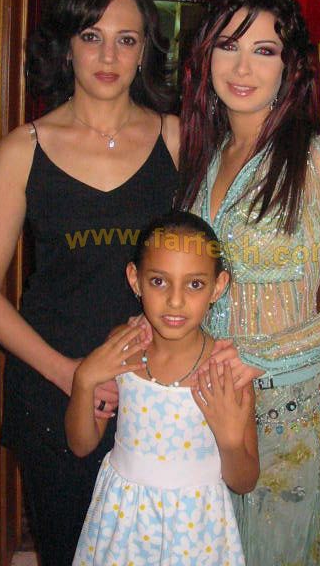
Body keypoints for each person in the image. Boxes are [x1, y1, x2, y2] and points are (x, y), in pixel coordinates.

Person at [177, 0, 320, 565]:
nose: (242, 67)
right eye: (228, 46)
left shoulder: (318, 159)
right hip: (204, 397)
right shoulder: (205, 156)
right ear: (206, 55)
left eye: (264, 50)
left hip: (284, 406)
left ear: (289, 66)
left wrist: (262, 354)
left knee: (277, 551)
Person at [0, 0, 179, 566]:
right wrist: (70, 374)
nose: (108, 56)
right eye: (91, 36)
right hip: (52, 386)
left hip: (154, 389)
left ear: (145, 50)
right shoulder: (21, 150)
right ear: (66, 46)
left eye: (126, 39)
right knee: (69, 549)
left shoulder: (175, 139)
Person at [67, 210, 259, 565]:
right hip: (122, 523)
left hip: (196, 533)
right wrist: (83, 381)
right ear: (135, 279)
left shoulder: (226, 372)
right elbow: (82, 444)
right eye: (158, 281)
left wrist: (231, 442)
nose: (175, 300)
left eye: (194, 284)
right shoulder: (122, 346)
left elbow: (244, 481)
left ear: (218, 287)